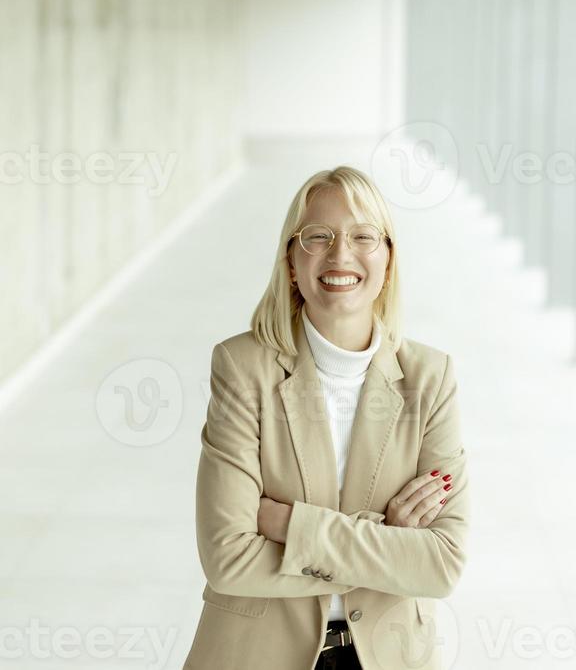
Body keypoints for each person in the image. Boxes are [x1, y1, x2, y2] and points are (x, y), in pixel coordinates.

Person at [183, 165, 470, 670]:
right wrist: (388, 539)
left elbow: (441, 565)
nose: (341, 254)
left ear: (388, 259)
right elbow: (228, 558)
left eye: (364, 236)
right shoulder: (241, 367)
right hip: (256, 654)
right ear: (291, 261)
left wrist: (289, 524)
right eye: (318, 237)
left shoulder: (431, 377)